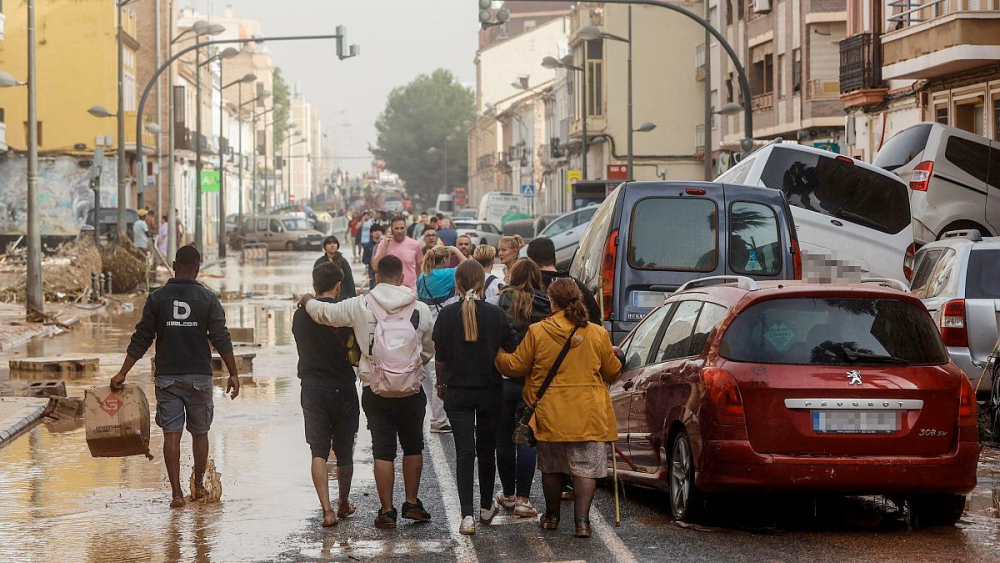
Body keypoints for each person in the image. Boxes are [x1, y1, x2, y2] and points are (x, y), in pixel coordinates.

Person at [302, 255, 435, 530]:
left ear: (377, 276)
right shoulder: (420, 309)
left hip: (375, 388)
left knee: (382, 451)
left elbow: (323, 314)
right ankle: (411, 501)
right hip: (411, 390)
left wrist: (306, 300)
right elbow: (428, 350)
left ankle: (386, 511)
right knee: (413, 446)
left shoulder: (360, 304)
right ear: (401, 278)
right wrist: (407, 370)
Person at [110, 245, 240, 509]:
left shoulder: (158, 298)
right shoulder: (208, 299)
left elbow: (142, 337)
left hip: (167, 377)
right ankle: (200, 486)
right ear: (198, 268)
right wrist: (233, 373)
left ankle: (177, 494)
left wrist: (123, 372)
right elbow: (221, 337)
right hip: (199, 378)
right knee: (200, 433)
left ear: (173, 265)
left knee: (172, 435)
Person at [495, 278, 621, 539]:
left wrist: (497, 353)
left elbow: (515, 366)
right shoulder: (597, 333)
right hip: (589, 413)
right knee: (586, 468)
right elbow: (611, 371)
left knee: (552, 467)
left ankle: (552, 517)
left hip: (551, 412)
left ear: (552, 301)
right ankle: (582, 522)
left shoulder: (538, 331)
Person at [433, 261, 515, 535]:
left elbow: (440, 359)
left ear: (457, 283)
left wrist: (442, 385)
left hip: (458, 393)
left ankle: (466, 516)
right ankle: (484, 508)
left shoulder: (446, 315)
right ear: (483, 282)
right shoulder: (496, 314)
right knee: (486, 450)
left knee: (464, 452)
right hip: (490, 390)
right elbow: (512, 347)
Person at [293, 263, 359, 527]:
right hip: (343, 388)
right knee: (345, 452)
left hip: (312, 388)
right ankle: (343, 503)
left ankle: (327, 511)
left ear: (314, 285)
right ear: (338, 286)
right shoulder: (344, 315)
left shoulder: (299, 316)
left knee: (318, 450)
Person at [494, 259, 551, 518]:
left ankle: (507, 494)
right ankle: (523, 499)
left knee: (504, 437)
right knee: (527, 437)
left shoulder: (504, 298)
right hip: (534, 380)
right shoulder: (547, 303)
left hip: (505, 376)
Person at [416, 245, 467, 434]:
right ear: (445, 260)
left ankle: (436, 415)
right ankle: (438, 418)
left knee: (432, 367)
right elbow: (470, 266)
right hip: (445, 324)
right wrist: (455, 250)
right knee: (444, 371)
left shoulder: (422, 277)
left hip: (427, 324)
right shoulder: (448, 273)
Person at [526, 237, 601, 324]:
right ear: (555, 259)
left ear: (531, 262)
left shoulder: (529, 289)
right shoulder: (575, 284)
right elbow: (596, 318)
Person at [372, 215, 424, 293]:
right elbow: (376, 267)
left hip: (410, 291)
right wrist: (385, 246)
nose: (399, 231)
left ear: (406, 228)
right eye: (396, 228)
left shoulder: (415, 244)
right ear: (391, 229)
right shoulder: (384, 243)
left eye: (402, 228)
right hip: (389, 292)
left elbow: (419, 267)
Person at [314, 236, 356, 301]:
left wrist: (352, 297)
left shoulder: (343, 261)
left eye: (334, 243)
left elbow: (349, 279)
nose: (332, 245)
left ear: (337, 246)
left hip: (342, 296)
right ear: (325, 247)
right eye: (329, 243)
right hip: (324, 296)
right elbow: (316, 280)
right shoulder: (320, 262)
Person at [364, 224, 384, 290]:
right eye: (375, 231)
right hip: (372, 273)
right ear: (371, 233)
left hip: (383, 273)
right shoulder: (368, 246)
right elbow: (364, 260)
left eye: (379, 230)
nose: (377, 232)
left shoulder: (384, 245)